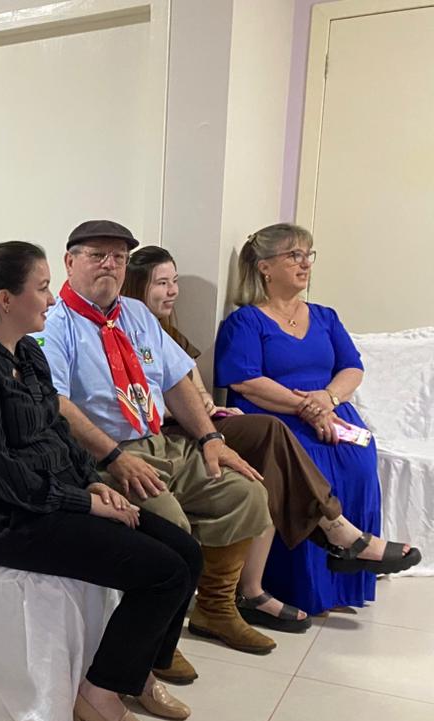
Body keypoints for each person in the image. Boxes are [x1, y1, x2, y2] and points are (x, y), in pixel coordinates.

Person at [0, 240, 201, 721]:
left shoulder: (27, 355)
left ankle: (137, 670)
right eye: (41, 289)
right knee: (163, 573)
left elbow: (58, 435)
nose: (52, 299)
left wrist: (95, 482)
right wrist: (86, 503)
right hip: (10, 522)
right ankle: (99, 694)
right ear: (6, 300)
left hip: (53, 500)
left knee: (186, 552)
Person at [125, 246, 418, 634]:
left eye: (175, 281)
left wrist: (324, 400)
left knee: (278, 441)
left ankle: (260, 585)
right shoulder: (131, 332)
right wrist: (304, 407)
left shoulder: (169, 334)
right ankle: (335, 535)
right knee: (271, 438)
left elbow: (195, 390)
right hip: (167, 432)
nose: (173, 291)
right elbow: (151, 401)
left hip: (212, 422)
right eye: (162, 283)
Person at [41, 220, 276, 673]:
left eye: (119, 257)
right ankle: (158, 636)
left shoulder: (136, 313)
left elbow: (175, 380)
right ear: (69, 261)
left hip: (161, 442)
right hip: (104, 454)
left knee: (244, 492)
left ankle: (215, 608)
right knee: (170, 525)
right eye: (97, 255)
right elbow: (58, 405)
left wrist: (210, 438)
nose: (109, 264)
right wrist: (114, 457)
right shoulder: (56, 323)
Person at [214, 224, 419, 614]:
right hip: (277, 418)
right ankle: (298, 588)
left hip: (332, 413)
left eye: (308, 255)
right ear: (264, 267)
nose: (305, 263)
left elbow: (352, 368)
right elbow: (246, 381)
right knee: (308, 464)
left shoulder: (325, 316)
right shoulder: (246, 321)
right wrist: (306, 407)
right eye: (294, 255)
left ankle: (347, 574)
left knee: (359, 463)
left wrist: (328, 399)